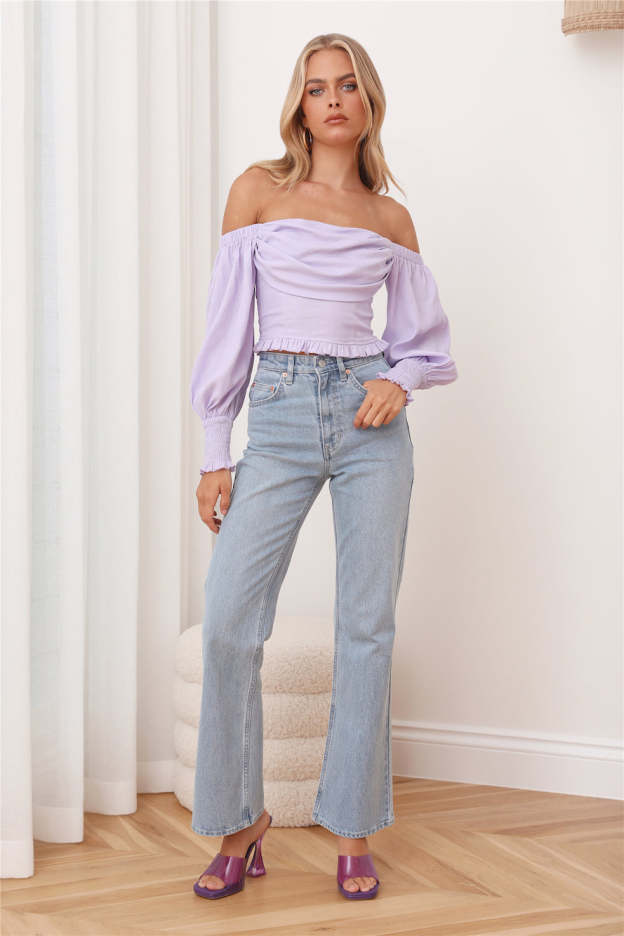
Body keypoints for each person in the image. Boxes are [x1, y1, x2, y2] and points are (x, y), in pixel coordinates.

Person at [189, 33, 458, 902]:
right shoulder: (257, 193)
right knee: (230, 622)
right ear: (299, 106)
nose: (333, 99)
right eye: (316, 87)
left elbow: (422, 344)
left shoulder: (390, 220)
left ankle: (352, 828)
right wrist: (214, 451)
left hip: (369, 423)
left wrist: (398, 381)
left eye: (346, 85)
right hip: (277, 412)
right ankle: (240, 824)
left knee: (366, 628)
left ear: (368, 101)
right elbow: (226, 329)